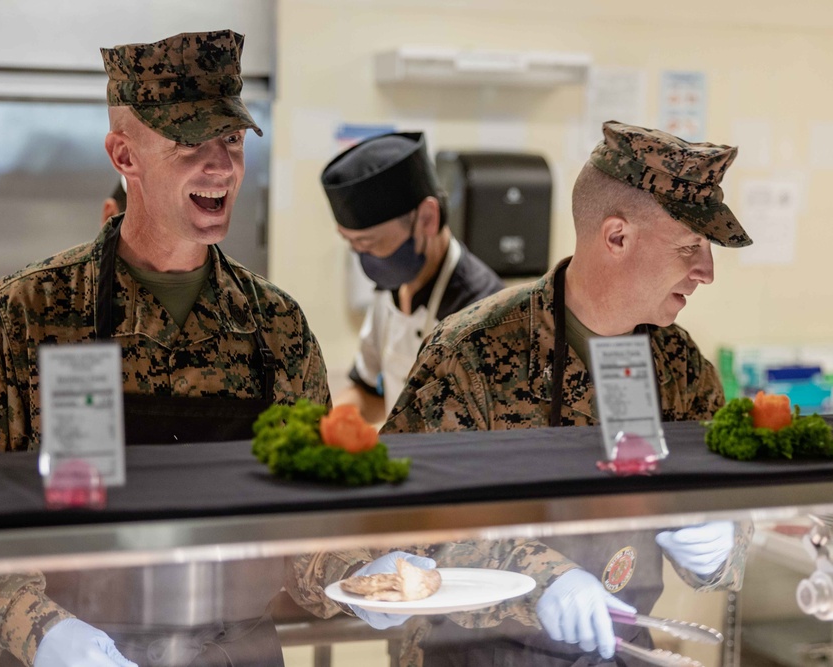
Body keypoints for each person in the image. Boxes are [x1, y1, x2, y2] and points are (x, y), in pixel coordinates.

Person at [0, 30, 329, 666]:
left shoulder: (274, 326)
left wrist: (366, 572)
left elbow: (311, 515)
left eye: (231, 140)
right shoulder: (26, 318)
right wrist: (44, 632)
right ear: (124, 154)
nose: (221, 164)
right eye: (192, 141)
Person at [289, 121, 753, 666]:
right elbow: (405, 528)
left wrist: (722, 543)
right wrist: (545, 578)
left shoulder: (678, 367)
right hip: (476, 655)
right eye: (690, 246)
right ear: (617, 237)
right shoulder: (475, 351)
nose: (706, 271)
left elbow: (729, 504)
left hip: (619, 649)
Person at [320, 132, 503, 424]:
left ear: (427, 219)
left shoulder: (484, 311)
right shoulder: (389, 290)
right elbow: (371, 394)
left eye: (368, 243)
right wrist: (332, 423)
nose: (362, 257)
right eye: (351, 244)